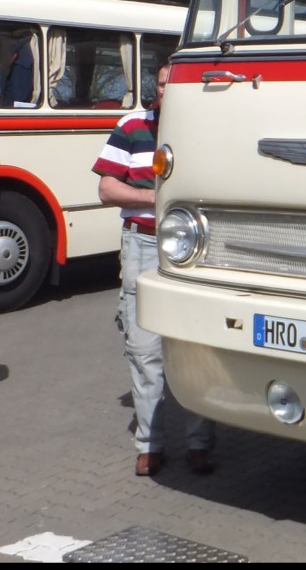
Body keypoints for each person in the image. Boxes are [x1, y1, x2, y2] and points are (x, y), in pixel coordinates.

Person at [92, 65, 216, 477]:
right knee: (144, 349)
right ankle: (149, 444)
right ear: (156, 89)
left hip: (196, 248)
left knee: (197, 347)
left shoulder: (209, 125)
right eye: (162, 85)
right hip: (143, 245)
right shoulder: (132, 126)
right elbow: (107, 188)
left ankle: (199, 443)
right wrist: (156, 196)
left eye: (174, 85)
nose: (168, 91)